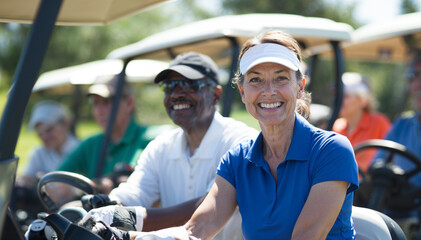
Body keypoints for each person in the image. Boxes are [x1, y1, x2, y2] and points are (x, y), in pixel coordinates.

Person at [89, 30, 359, 240]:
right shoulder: (237, 160)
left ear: (299, 87)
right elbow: (196, 231)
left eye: (280, 78)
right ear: (242, 93)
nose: (268, 91)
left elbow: (305, 237)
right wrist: (122, 235)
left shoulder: (332, 150)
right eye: (255, 79)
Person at [82, 52, 259, 239]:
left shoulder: (241, 142)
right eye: (169, 86)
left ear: (216, 95)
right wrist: (108, 205)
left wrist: (122, 217)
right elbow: (134, 194)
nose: (176, 94)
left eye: (189, 85)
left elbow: (212, 205)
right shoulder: (160, 147)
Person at [57, 76, 155, 183]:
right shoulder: (90, 145)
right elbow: (57, 178)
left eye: (107, 102)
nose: (99, 111)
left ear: (129, 103)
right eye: (95, 103)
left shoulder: (151, 139)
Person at [377, 51, 421, 222]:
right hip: (399, 221)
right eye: (412, 76)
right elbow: (376, 166)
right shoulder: (402, 125)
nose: (418, 84)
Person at [333, 72, 391, 172]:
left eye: (345, 96)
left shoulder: (379, 123)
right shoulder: (337, 126)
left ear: (362, 101)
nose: (338, 100)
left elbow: (393, 158)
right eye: (338, 96)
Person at [16, 100, 80, 187]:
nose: (44, 137)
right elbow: (27, 178)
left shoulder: (80, 150)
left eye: (49, 130)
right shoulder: (39, 153)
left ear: (65, 124)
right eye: (39, 133)